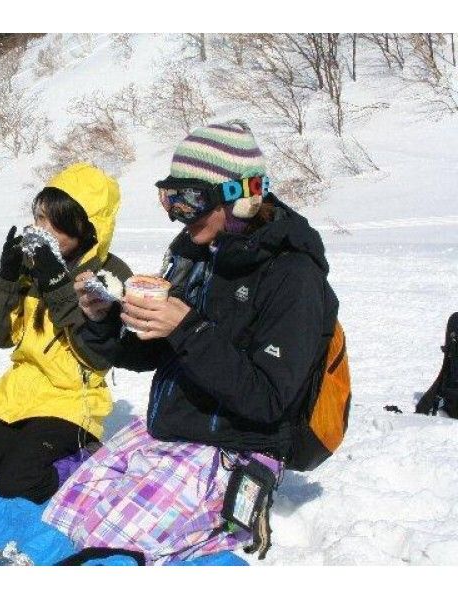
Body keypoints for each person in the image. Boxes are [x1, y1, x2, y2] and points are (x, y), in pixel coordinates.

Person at [43, 121, 340, 563]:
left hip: (236, 446)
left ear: (241, 197)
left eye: (191, 200)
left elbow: (269, 400)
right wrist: (105, 322)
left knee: (109, 545)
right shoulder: (195, 251)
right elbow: (149, 354)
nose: (179, 215)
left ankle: (237, 512)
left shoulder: (292, 275)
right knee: (64, 518)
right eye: (171, 198)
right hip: (167, 428)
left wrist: (188, 329)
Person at [0, 163, 132, 504]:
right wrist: (7, 277)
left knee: (21, 485)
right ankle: (15, 457)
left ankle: (85, 462)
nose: (44, 230)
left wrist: (57, 283)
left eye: (56, 222)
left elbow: (97, 355)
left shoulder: (109, 276)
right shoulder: (31, 267)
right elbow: (1, 336)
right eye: (40, 218)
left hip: (71, 401)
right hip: (18, 395)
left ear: (87, 228)